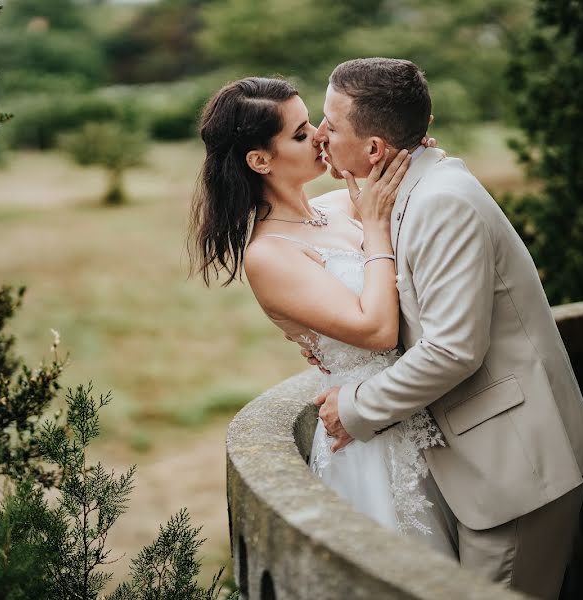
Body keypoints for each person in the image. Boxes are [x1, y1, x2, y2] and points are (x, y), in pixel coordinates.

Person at [307, 57, 583, 600]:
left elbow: (452, 349)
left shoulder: (442, 203)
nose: (319, 135)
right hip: (483, 464)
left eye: (332, 123)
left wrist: (355, 408)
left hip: (514, 470)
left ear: (376, 149)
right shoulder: (415, 187)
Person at [188, 76, 457, 557]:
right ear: (259, 160)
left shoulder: (341, 204)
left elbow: (406, 183)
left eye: (312, 121)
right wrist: (374, 227)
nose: (317, 135)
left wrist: (405, 152)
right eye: (297, 133)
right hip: (367, 439)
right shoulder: (269, 255)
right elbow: (376, 330)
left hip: (426, 414)